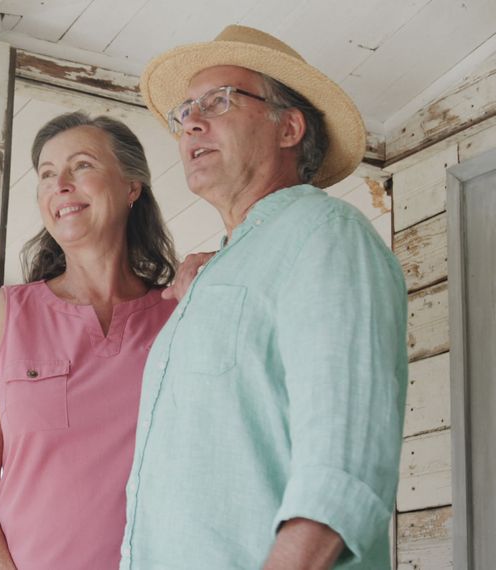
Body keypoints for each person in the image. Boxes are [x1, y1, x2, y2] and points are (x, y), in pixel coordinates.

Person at [119, 25, 408, 569]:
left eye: (219, 100)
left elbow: (343, 467)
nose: (191, 123)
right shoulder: (213, 273)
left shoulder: (325, 233)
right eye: (184, 112)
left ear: (289, 128)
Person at [0, 112, 178, 569]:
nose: (61, 184)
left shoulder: (180, 318)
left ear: (132, 186)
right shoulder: (4, 316)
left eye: (82, 166)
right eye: (47, 175)